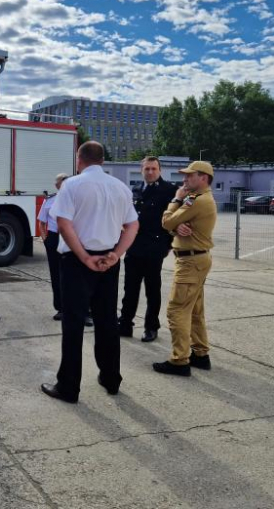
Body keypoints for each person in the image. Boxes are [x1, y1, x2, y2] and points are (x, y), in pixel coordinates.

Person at [41, 141, 139, 403]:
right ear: (103, 161)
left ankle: (69, 387)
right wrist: (116, 254)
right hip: (108, 262)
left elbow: (63, 224)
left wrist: (84, 256)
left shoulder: (72, 185)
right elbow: (132, 226)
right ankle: (111, 379)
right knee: (107, 321)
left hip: (77, 262)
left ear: (79, 159)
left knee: (73, 324)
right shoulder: (120, 187)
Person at [153, 160, 217, 377]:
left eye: (190, 175)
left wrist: (176, 199)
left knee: (177, 310)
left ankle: (180, 360)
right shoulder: (194, 197)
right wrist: (176, 227)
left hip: (191, 262)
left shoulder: (196, 200)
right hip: (194, 259)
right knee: (195, 310)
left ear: (204, 178)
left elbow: (166, 221)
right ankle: (200, 354)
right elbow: (175, 226)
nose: (185, 179)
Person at [118, 156, 177, 342]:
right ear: (141, 170)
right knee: (130, 289)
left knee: (152, 290)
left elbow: (175, 218)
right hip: (134, 247)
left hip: (154, 248)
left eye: (154, 168)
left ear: (160, 170)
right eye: (147, 169)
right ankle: (125, 323)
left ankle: (151, 327)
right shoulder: (135, 190)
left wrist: (168, 245)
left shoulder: (169, 190)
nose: (150, 172)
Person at [38, 173, 68, 321]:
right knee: (56, 275)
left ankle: (81, 309)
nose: (65, 185)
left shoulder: (75, 199)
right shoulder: (50, 201)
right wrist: (46, 240)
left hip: (70, 237)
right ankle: (60, 308)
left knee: (74, 275)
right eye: (62, 182)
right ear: (57, 185)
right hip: (54, 237)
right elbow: (41, 222)